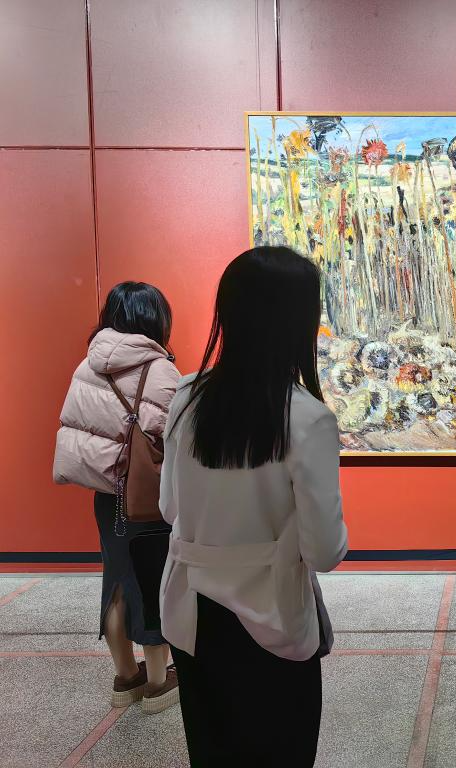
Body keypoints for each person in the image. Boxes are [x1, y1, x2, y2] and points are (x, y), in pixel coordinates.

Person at [159, 246, 348, 766]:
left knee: (212, 751)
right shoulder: (307, 418)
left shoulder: (186, 398)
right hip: (272, 619)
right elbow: (326, 551)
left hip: (192, 615)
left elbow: (169, 507)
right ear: (298, 322)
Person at [53, 282, 181, 713]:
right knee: (154, 580)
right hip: (146, 496)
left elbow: (80, 427)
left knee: (118, 579)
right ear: (155, 318)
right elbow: (171, 437)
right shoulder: (160, 369)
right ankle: (158, 683)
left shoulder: (87, 365)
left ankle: (126, 677)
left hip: (108, 496)